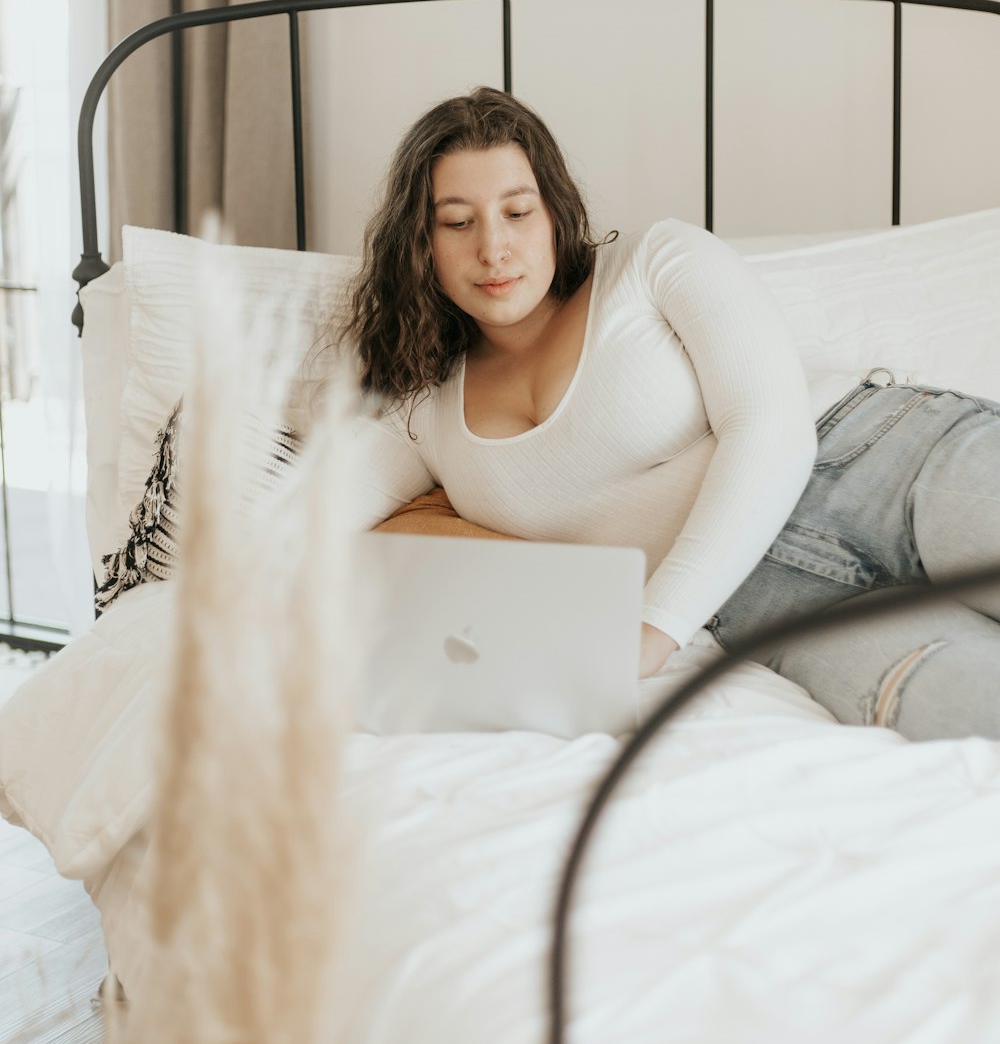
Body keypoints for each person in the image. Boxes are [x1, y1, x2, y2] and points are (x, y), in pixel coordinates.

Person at [342, 87, 1000, 741]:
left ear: (555, 213)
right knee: (968, 707)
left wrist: (653, 632)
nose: (494, 249)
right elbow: (298, 519)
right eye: (457, 222)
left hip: (882, 462)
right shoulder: (419, 410)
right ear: (420, 242)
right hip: (776, 606)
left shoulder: (655, 261)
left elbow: (770, 427)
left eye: (518, 212)